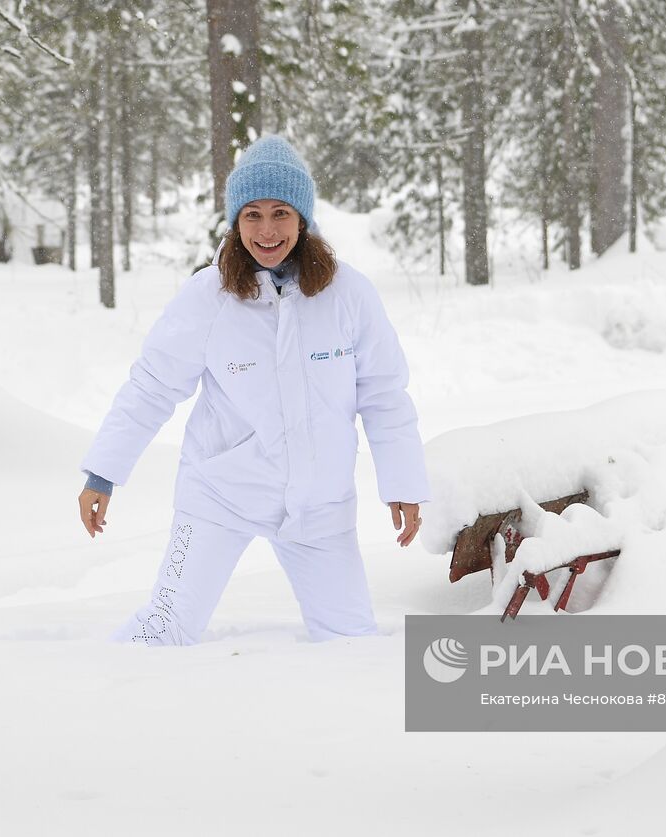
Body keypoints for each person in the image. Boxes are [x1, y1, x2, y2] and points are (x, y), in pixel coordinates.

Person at [76, 135, 430, 646]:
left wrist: (403, 482)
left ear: (303, 219)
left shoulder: (348, 295)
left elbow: (384, 395)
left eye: (281, 212)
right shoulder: (208, 296)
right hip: (222, 493)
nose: (266, 231)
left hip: (320, 505)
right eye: (252, 214)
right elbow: (152, 386)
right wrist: (103, 473)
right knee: (163, 630)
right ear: (235, 221)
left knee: (351, 641)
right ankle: (87, 698)